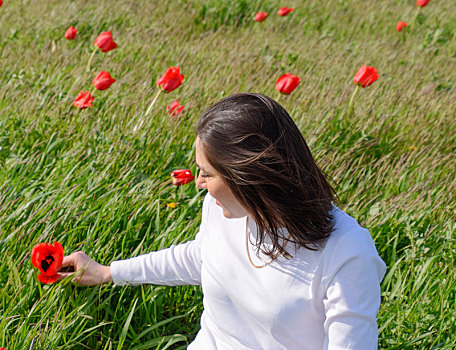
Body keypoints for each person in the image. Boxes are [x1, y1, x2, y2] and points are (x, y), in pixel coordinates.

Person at [61, 93, 386, 349]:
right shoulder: (222, 209)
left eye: (208, 173)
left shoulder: (347, 253)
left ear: (249, 176)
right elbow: (202, 258)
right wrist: (108, 272)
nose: (199, 182)